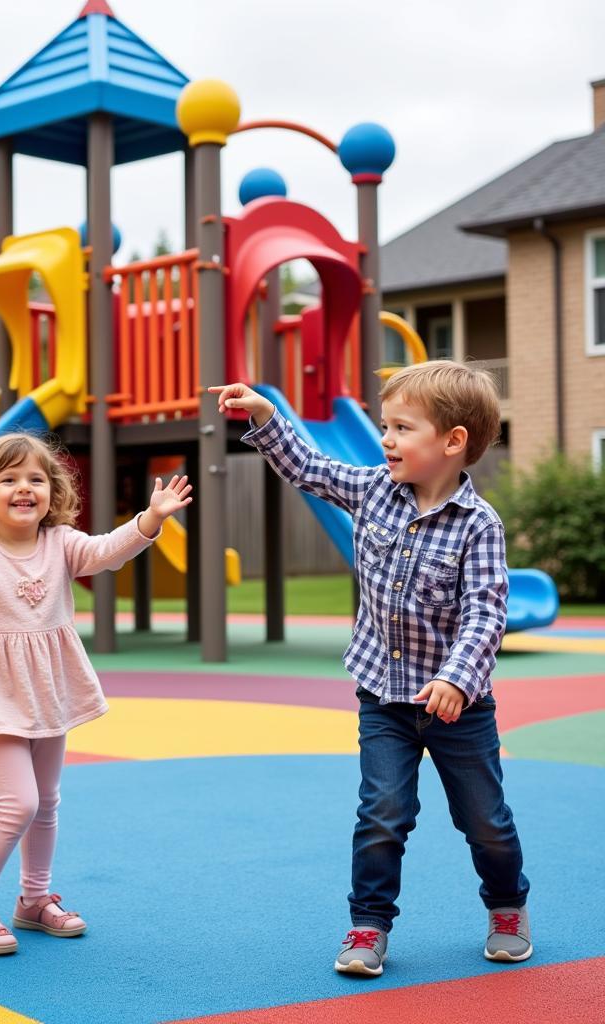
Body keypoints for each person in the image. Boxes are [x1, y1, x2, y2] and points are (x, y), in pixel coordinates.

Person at [210, 362, 531, 976]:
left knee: (484, 820)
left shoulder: (479, 526)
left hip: (457, 707)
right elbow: (309, 468)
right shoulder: (372, 490)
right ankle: (367, 927)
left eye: (401, 427)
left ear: (452, 441)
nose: (385, 439)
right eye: (385, 425)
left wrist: (456, 678)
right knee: (382, 813)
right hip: (384, 698)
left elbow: (486, 616)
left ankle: (508, 905)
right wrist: (265, 415)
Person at [0, 432, 192, 955]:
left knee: (46, 802)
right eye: (9, 479)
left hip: (50, 688)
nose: (24, 488)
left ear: (53, 491)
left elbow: (107, 552)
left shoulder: (61, 542)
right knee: (17, 802)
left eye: (36, 479)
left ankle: (34, 899)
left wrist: (151, 519)